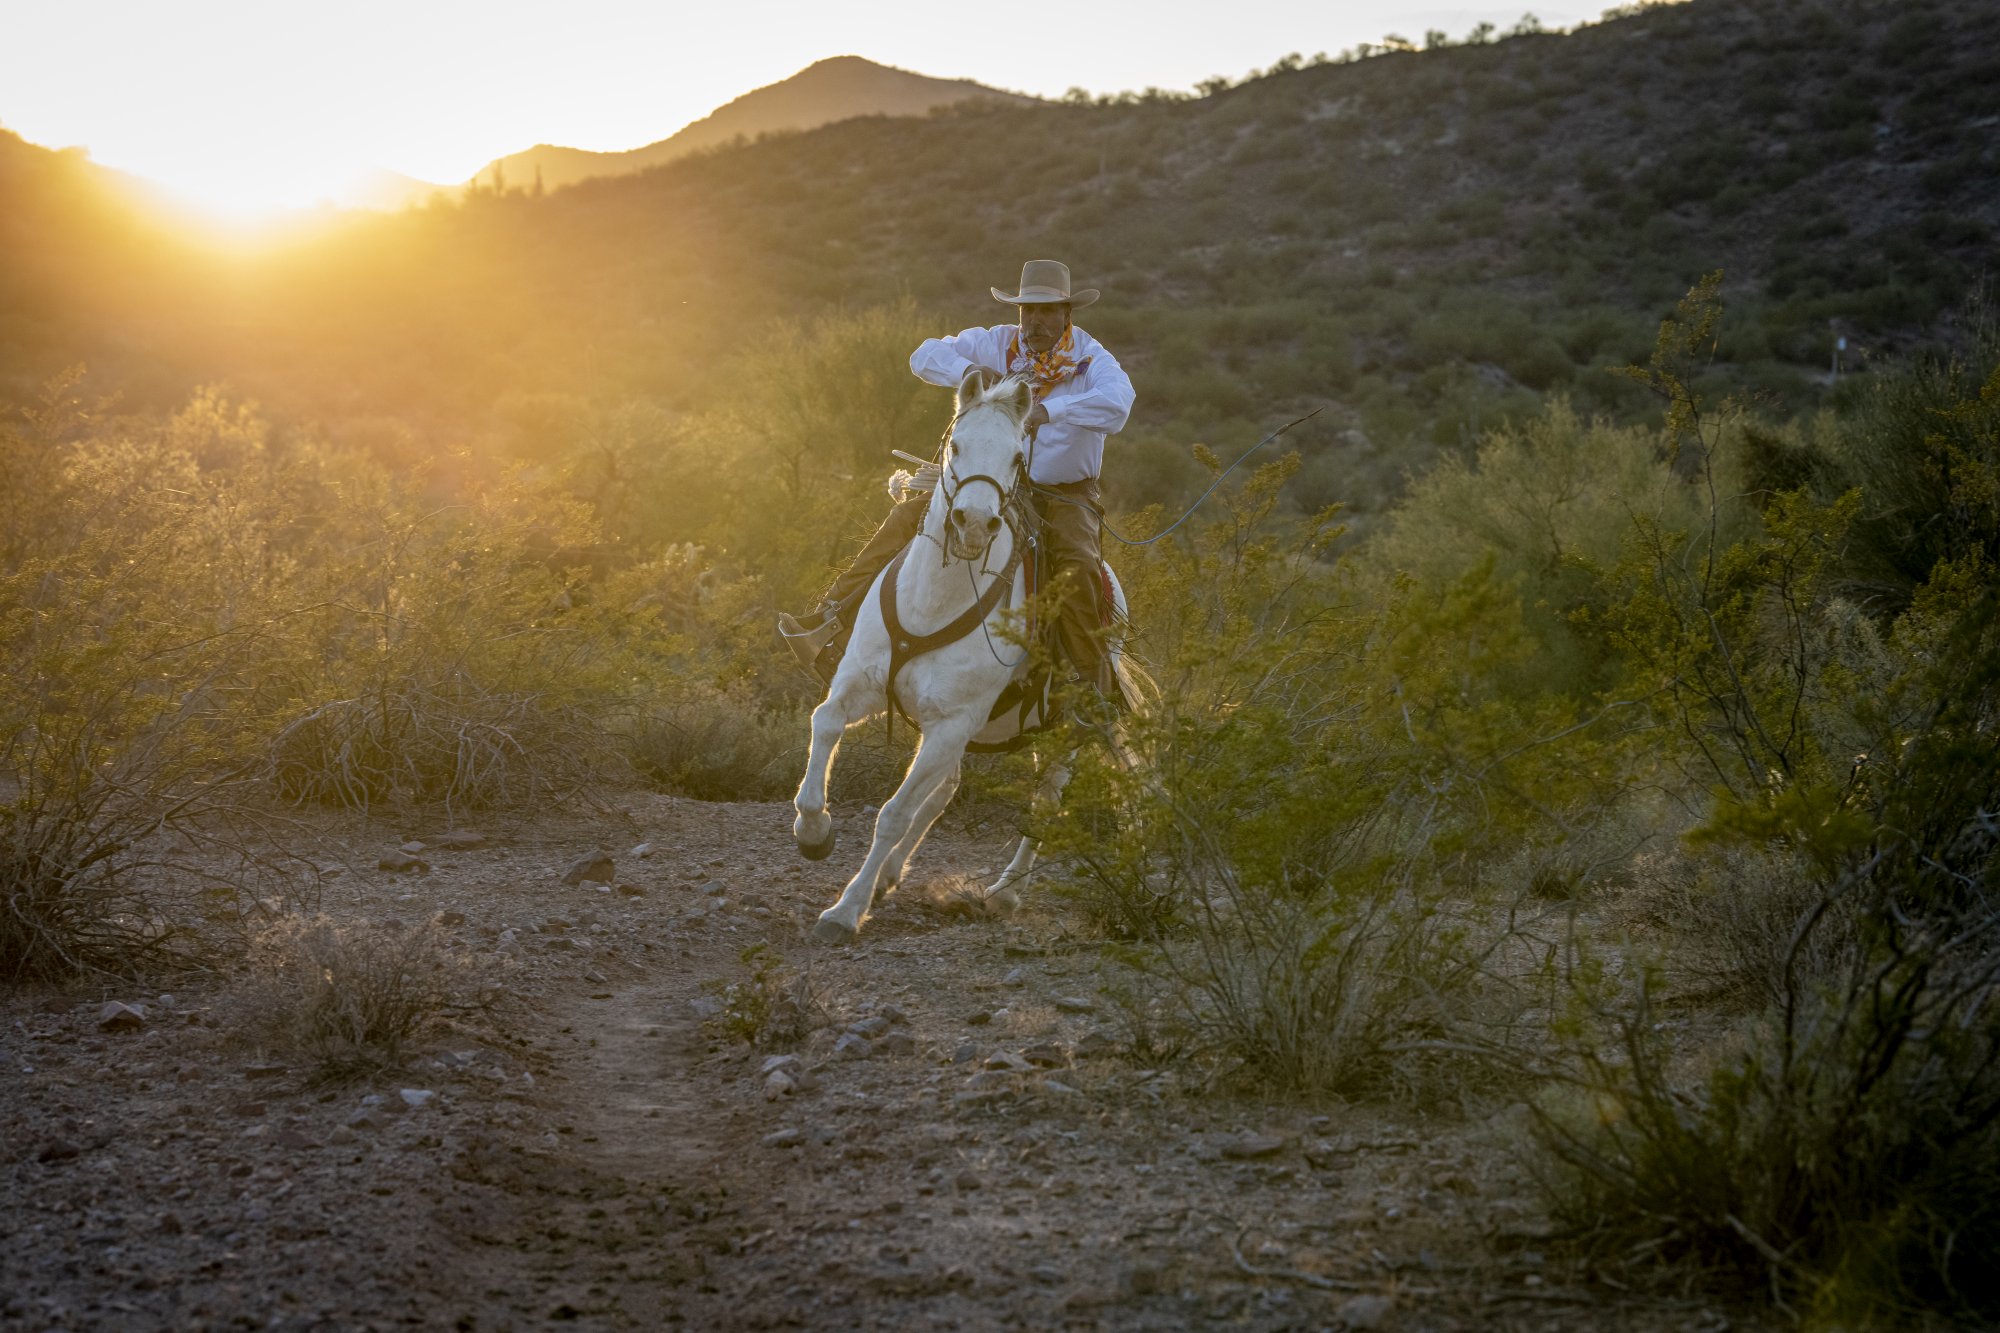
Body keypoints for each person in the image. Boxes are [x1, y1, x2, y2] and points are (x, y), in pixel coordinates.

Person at [778, 260, 1136, 694]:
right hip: (998, 484)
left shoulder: (1090, 358)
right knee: (906, 520)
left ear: (1067, 313)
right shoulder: (997, 343)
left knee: (1078, 566)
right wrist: (967, 372)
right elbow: (923, 355)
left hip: (1065, 494)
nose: (1036, 321)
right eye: (1028, 311)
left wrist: (1048, 411)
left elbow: (1117, 405)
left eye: (1047, 311)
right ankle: (830, 621)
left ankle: (1091, 687)